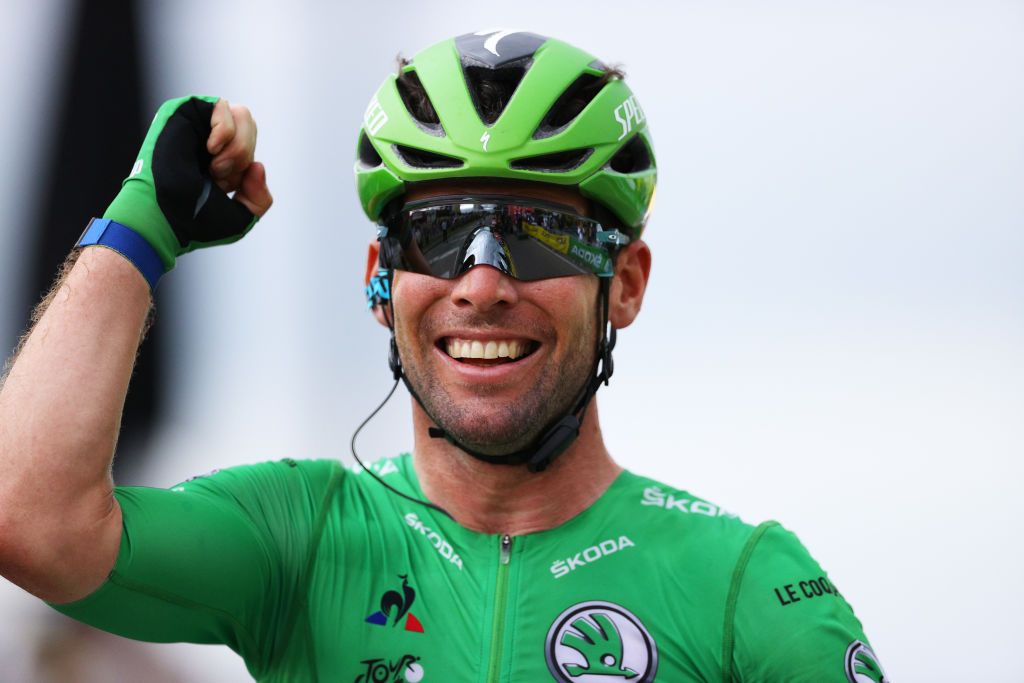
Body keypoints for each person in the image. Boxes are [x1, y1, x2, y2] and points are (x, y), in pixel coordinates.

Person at [0, 31, 887, 683]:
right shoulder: (305, 540)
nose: (483, 281)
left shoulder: (744, 586)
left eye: (540, 233)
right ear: (381, 279)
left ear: (625, 284)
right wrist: (140, 224)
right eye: (438, 232)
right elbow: (29, 520)